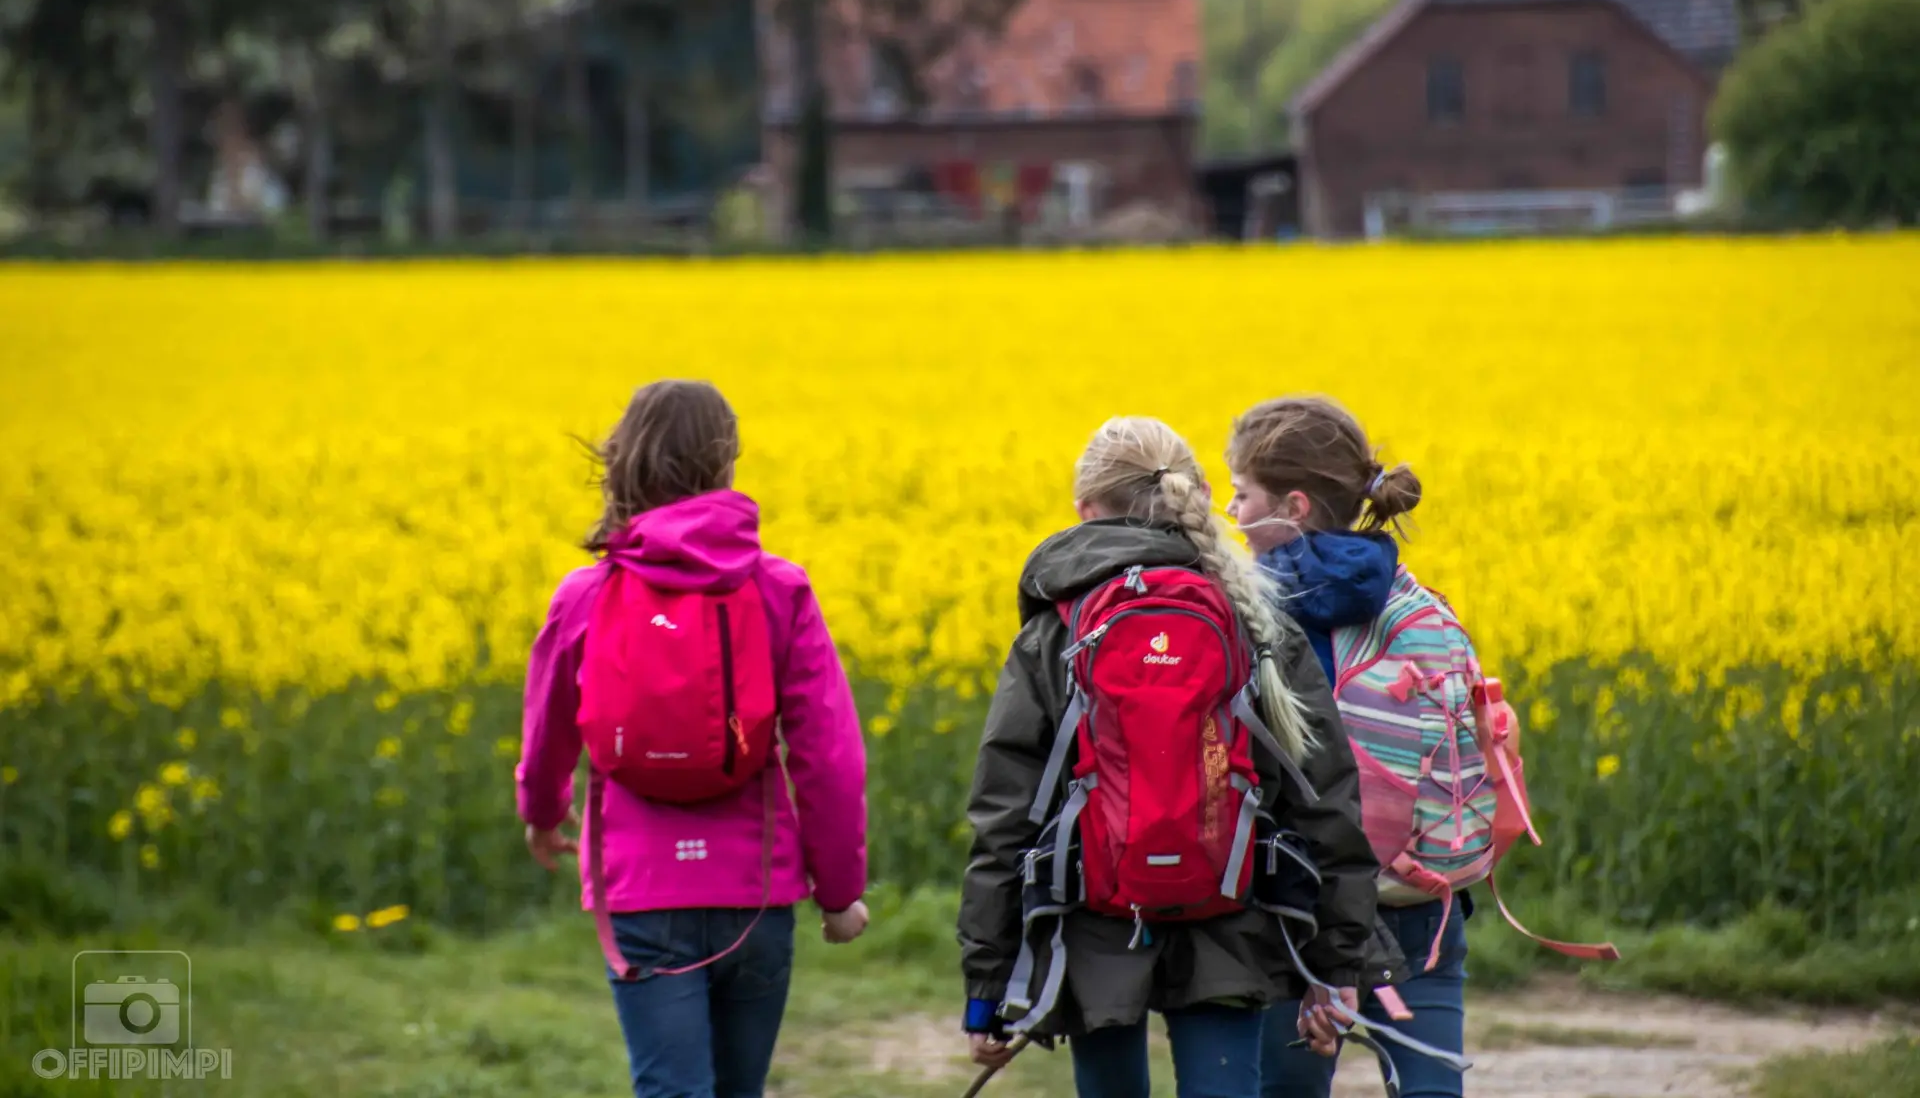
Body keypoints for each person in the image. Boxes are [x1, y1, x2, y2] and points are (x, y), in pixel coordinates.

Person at [959, 416, 1380, 1098]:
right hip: (1232, 911)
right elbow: (1323, 794)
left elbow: (1006, 811)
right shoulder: (1251, 616)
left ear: (1085, 511)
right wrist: (1336, 962)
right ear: (1196, 494)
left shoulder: (1056, 629)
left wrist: (988, 984)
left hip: (1093, 917)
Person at [517, 379, 871, 1098]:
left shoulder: (584, 596)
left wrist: (543, 813)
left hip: (642, 893)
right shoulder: (780, 589)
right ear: (727, 464)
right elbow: (829, 759)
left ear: (626, 464)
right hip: (756, 891)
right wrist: (839, 893)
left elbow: (548, 730)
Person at [1225, 395, 1465, 1098]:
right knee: (1429, 1086)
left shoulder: (1259, 616)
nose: (1233, 515)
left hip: (1303, 906)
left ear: (1293, 506)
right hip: (1418, 888)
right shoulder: (1407, 597)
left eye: (1242, 496)